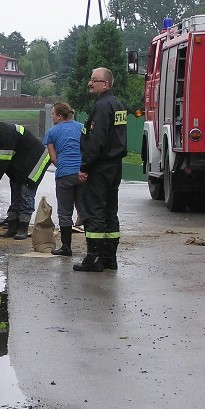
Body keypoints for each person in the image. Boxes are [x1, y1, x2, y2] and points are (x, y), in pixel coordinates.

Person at [75, 67, 127, 272]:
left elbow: (96, 140)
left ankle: (94, 258)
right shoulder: (118, 105)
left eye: (94, 80)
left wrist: (85, 166)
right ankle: (109, 258)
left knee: (95, 211)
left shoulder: (103, 107)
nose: (89, 83)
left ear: (105, 84)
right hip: (114, 167)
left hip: (100, 167)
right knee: (110, 212)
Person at [0, 110, 51, 240]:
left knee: (26, 194)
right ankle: (12, 228)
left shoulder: (5, 133)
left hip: (35, 161)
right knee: (16, 193)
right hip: (20, 163)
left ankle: (22, 228)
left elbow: (2, 161)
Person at [43, 102, 85, 256]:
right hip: (82, 174)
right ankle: (93, 247)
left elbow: (53, 158)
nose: (52, 116)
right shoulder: (81, 127)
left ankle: (66, 247)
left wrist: (64, 166)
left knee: (65, 212)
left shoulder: (52, 132)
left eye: (53, 114)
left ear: (59, 116)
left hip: (64, 175)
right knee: (85, 210)